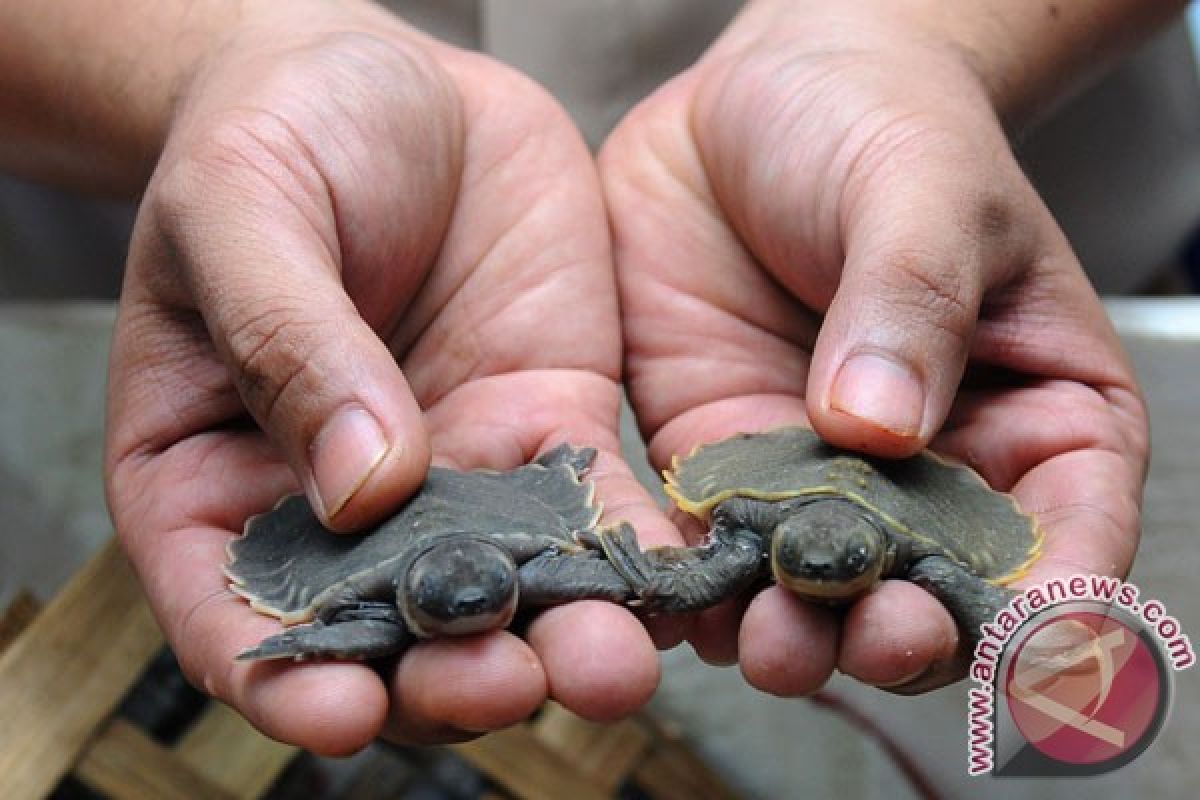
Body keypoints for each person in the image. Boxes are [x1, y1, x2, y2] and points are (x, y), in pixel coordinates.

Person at [0, 0, 1174, 753]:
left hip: (999, 284)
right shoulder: (585, 557)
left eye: (828, 564)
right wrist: (214, 65)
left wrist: (920, 42)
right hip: (148, 275)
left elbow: (720, 560)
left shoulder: (786, 530)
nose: (812, 571)